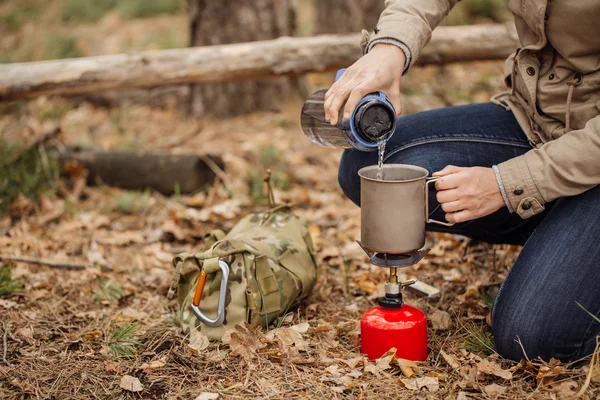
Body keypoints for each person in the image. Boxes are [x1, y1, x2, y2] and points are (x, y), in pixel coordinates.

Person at [329, 0, 600, 362]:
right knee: (370, 168)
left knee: (532, 339)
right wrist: (390, 47)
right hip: (535, 122)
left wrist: (510, 182)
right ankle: (562, 235)